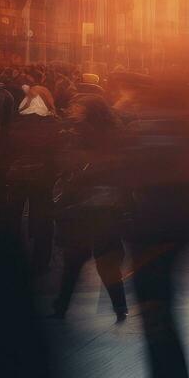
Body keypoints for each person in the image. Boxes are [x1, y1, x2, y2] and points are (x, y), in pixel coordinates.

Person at [116, 73, 189, 378]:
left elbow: (147, 190)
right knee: (161, 328)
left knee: (159, 329)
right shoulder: (183, 135)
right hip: (165, 243)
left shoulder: (159, 137)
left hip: (154, 245)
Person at [50, 94, 128, 322]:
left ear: (87, 111)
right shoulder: (115, 132)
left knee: (73, 260)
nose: (73, 109)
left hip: (83, 205)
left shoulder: (81, 133)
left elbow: (70, 165)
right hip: (107, 206)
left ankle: (61, 307)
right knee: (106, 261)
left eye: (78, 107)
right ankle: (120, 306)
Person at [8, 85, 63, 274]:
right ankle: (41, 261)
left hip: (18, 175)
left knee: (12, 217)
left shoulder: (17, 121)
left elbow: (6, 150)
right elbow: (59, 154)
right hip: (44, 177)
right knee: (43, 218)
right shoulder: (54, 124)